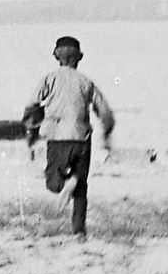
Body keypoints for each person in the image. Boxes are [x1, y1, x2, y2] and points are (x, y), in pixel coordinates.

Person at [21, 36, 117, 236]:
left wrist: (31, 131)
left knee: (53, 183)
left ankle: (67, 182)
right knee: (81, 187)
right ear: (79, 58)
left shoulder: (49, 79)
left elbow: (31, 106)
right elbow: (106, 113)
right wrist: (106, 137)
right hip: (82, 138)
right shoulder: (86, 82)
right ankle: (79, 231)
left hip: (57, 138)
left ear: (56, 56)